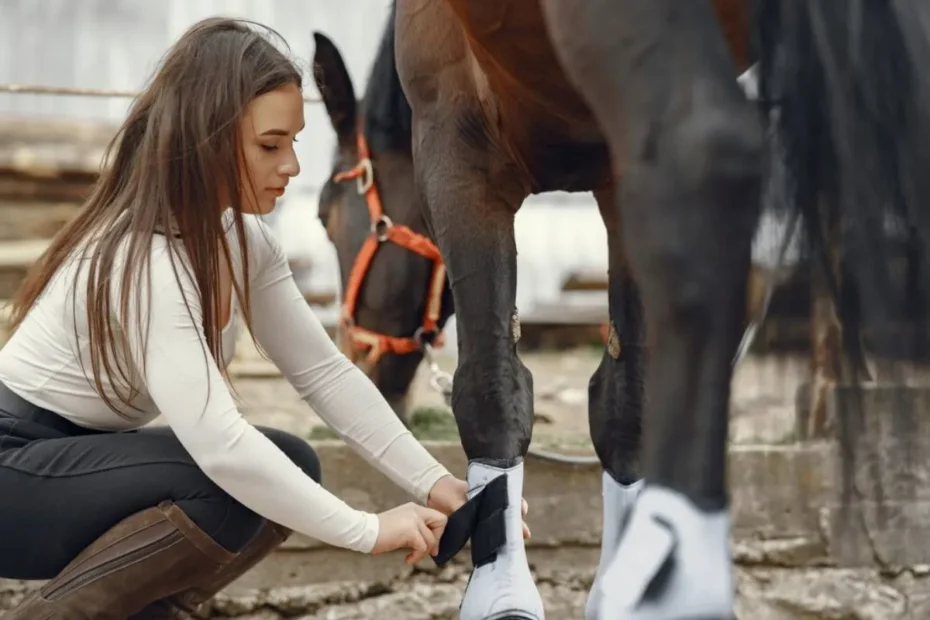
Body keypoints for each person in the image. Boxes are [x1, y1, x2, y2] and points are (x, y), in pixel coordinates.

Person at [0, 17, 479, 619]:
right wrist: (367, 530)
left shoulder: (240, 239)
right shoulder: (146, 257)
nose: (293, 167)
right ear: (209, 136)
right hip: (13, 473)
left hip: (79, 464)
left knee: (292, 462)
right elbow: (220, 446)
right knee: (222, 480)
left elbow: (325, 375)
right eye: (270, 145)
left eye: (294, 143)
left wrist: (437, 484)